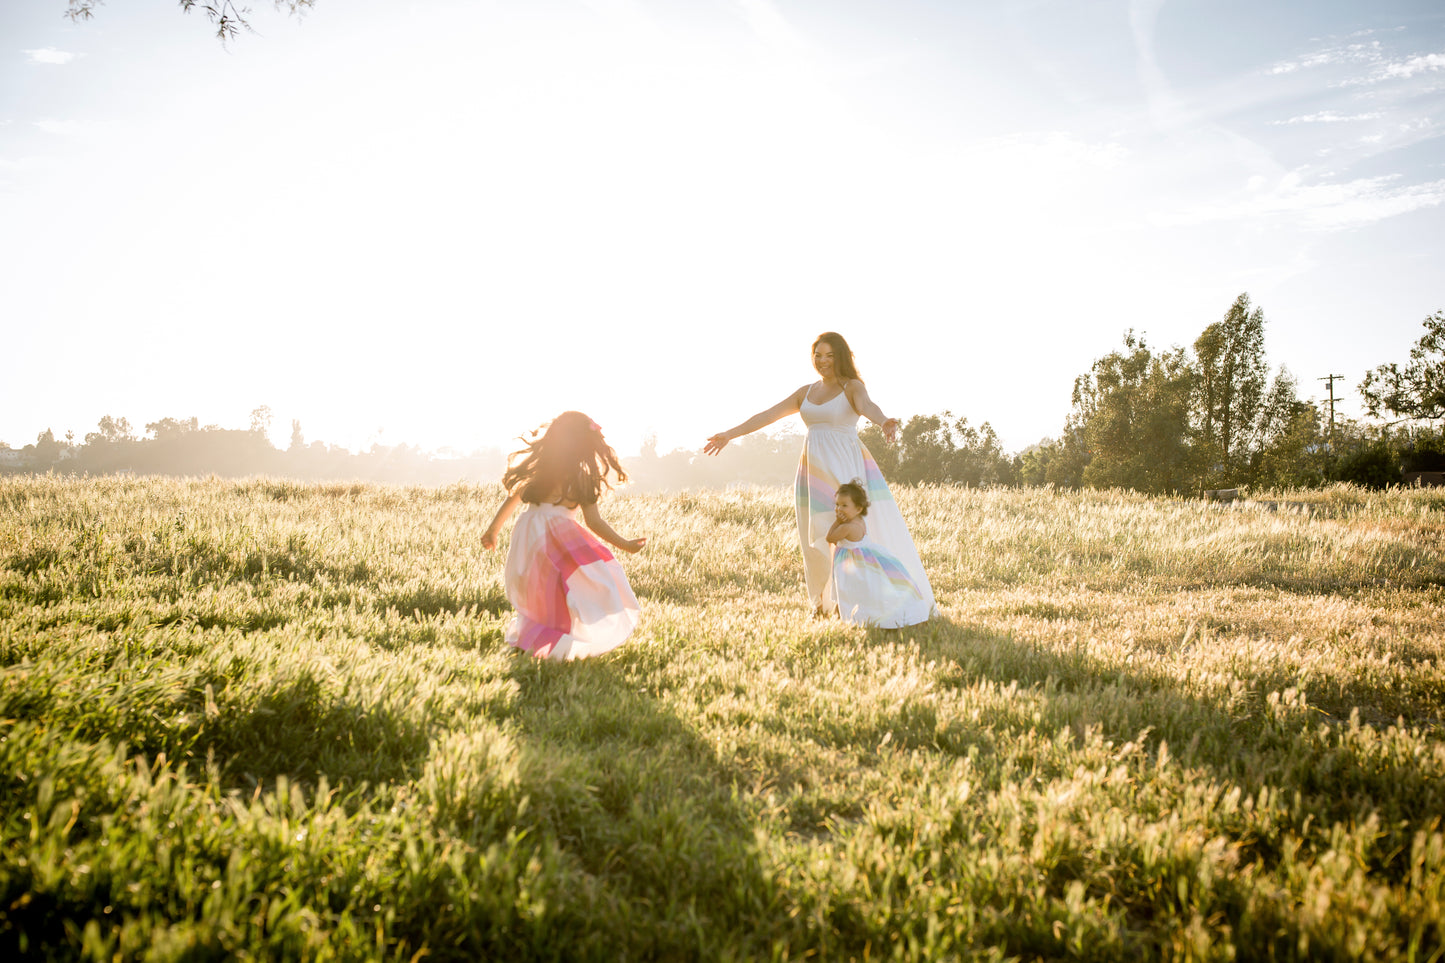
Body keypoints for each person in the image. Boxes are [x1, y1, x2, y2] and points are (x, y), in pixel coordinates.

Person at [705, 332, 935, 620]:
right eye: (817, 355)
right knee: (815, 536)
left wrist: (883, 421)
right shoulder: (806, 392)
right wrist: (729, 434)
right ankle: (822, 604)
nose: (822, 361)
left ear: (840, 356)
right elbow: (769, 415)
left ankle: (851, 601)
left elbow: (867, 407)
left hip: (844, 468)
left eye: (829, 355)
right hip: (812, 472)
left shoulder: (852, 387)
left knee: (845, 535)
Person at [482, 411, 646, 660]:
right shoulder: (581, 478)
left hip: (530, 534)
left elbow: (512, 500)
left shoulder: (539, 471)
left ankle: (536, 640)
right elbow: (594, 522)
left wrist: (493, 530)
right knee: (565, 589)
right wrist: (624, 544)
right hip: (560, 539)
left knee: (536, 590)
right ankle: (549, 642)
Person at [827, 479, 931, 628]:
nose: (839, 509)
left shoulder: (847, 527)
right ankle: (841, 615)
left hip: (852, 564)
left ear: (858, 509)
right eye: (837, 505)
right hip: (867, 559)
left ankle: (849, 616)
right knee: (862, 591)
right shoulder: (860, 521)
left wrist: (837, 522)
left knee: (848, 591)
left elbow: (830, 538)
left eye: (844, 505)